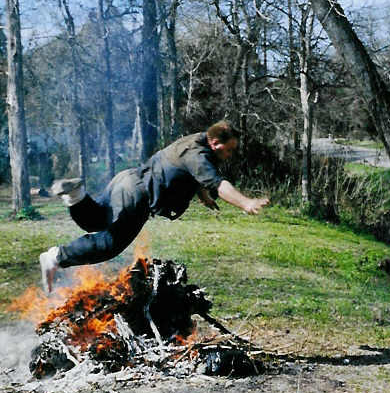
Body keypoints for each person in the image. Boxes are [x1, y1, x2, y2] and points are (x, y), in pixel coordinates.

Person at [39, 121, 270, 293]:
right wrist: (246, 203)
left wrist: (202, 195)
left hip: (127, 180)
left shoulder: (197, 140)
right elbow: (219, 184)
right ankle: (57, 257)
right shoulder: (199, 154)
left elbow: (194, 173)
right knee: (109, 244)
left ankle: (75, 194)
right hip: (139, 196)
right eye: (228, 150)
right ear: (215, 143)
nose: (229, 155)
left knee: (95, 220)